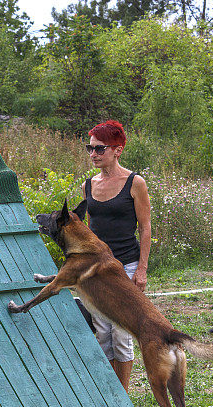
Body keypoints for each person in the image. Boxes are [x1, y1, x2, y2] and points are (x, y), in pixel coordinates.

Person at [80, 120, 151, 393]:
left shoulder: (135, 183)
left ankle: (122, 396)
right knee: (103, 334)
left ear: (117, 150)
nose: (93, 154)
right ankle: (109, 395)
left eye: (99, 149)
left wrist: (141, 269)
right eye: (90, 148)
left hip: (126, 266)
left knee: (122, 334)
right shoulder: (89, 185)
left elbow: (145, 229)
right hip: (97, 269)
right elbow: (88, 231)